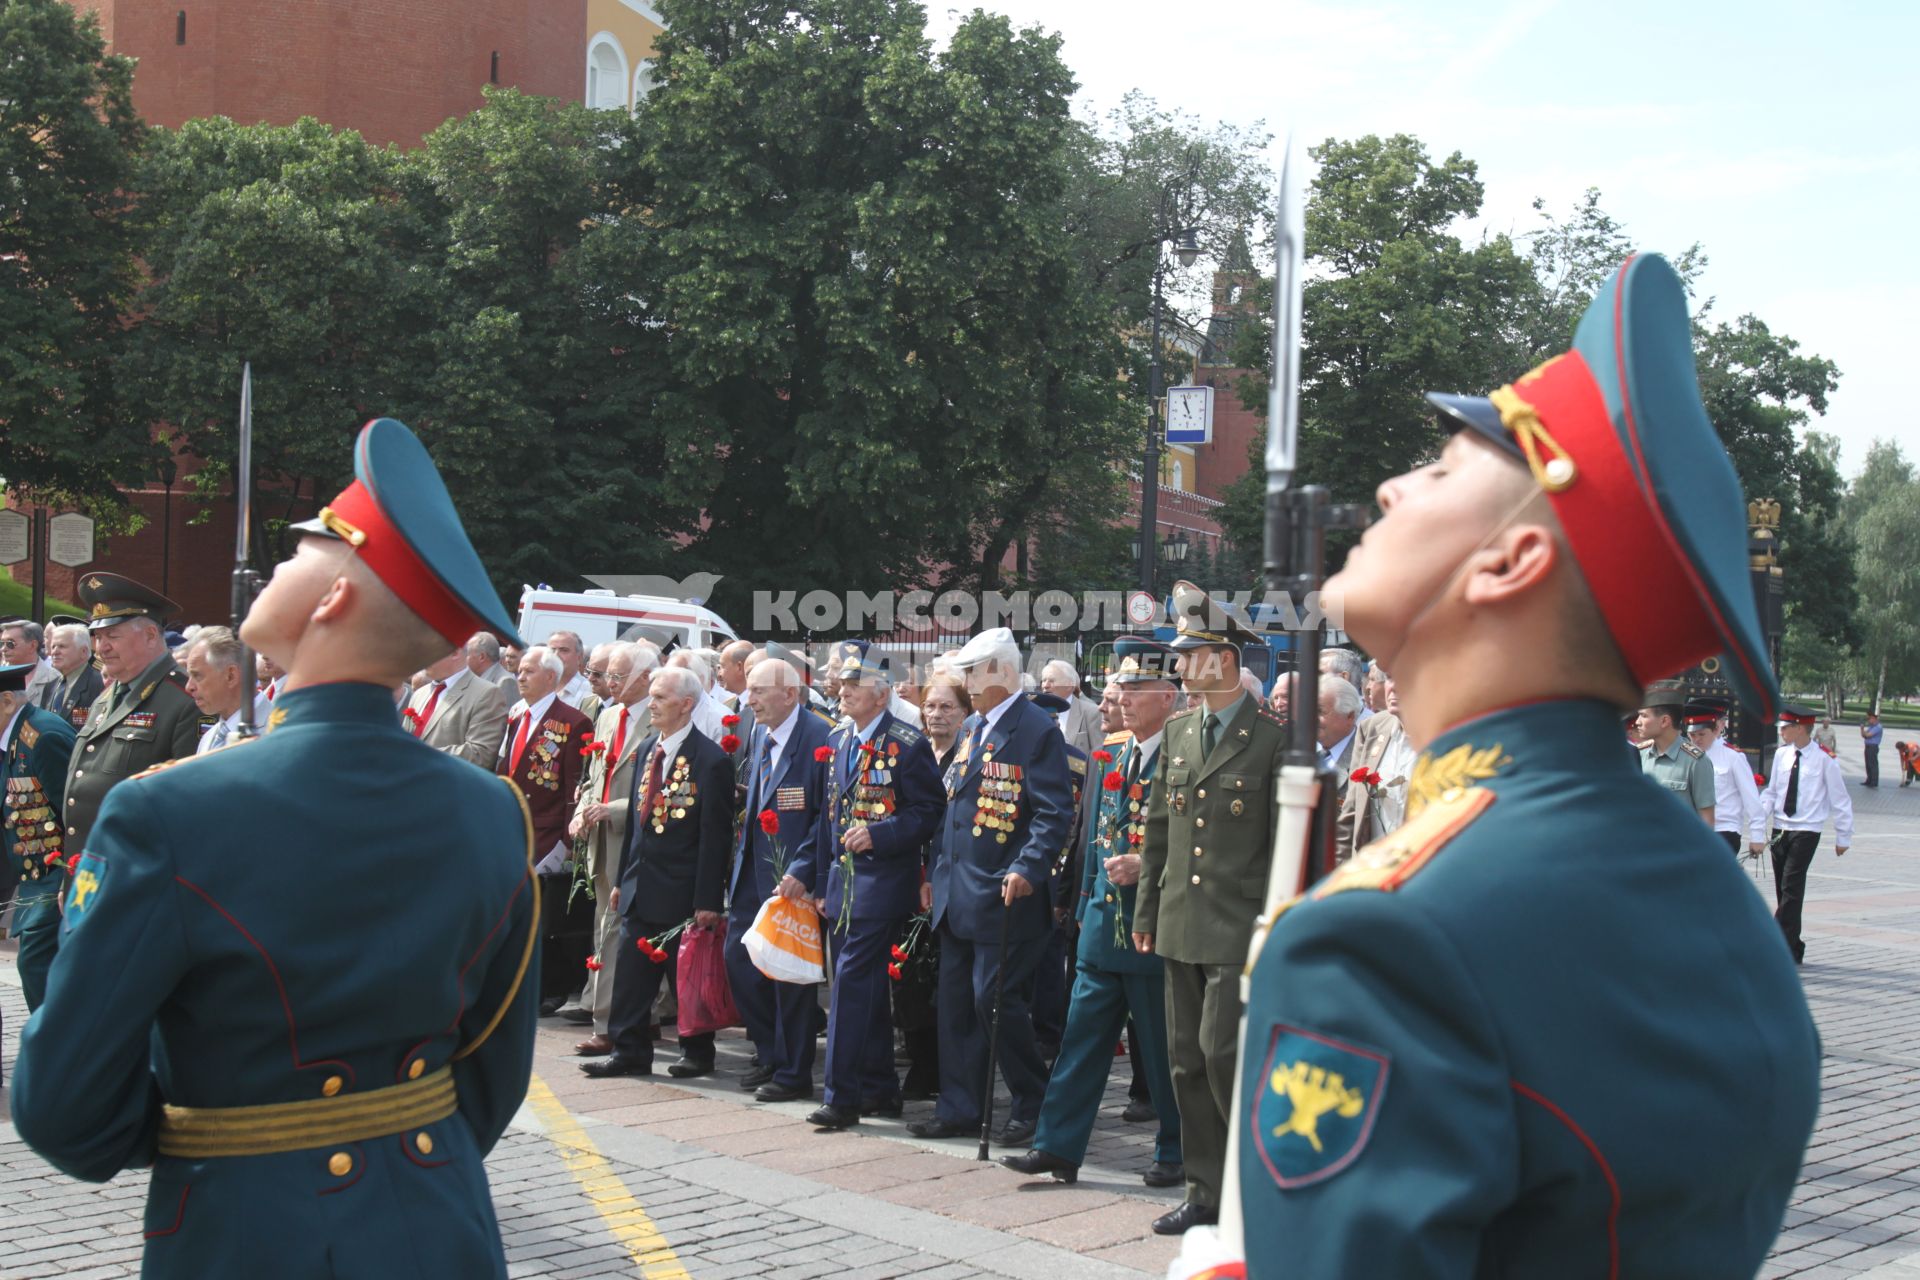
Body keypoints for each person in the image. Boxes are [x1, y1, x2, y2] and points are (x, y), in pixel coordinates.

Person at [1175, 254, 1819, 1279]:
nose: (1390, 484)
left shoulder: (1383, 936)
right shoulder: (1710, 894)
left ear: (1510, 563)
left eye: (1437, 472)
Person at [12, 417, 538, 1279]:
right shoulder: (490, 809)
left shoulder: (170, 811)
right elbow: (491, 1075)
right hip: (439, 1223)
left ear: (332, 601)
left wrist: (215, 1136)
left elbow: (65, 1106)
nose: (272, 568)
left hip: (245, 1230)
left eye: (299, 556)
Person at [1000, 637, 1184, 1190]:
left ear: (1169, 697)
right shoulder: (1115, 754)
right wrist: (1076, 905)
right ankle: (1057, 1145)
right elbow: (1092, 844)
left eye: (1134, 688)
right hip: (1102, 928)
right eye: (1117, 687)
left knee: (1161, 1051)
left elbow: (1202, 847)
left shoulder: (1183, 758)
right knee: (1080, 1043)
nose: (1120, 698)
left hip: (1154, 930)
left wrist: (1149, 869)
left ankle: (1175, 1149)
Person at [1133, 581, 1286, 1236]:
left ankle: (1255, 1190)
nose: (1180, 664)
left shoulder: (1273, 741)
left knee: (1225, 1056)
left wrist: (1279, 923)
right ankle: (1205, 1191)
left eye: (1189, 654)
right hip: (1179, 919)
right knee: (1184, 1064)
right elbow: (1158, 831)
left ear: (1222, 660)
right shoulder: (1179, 734)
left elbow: (1284, 844)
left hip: (1238, 925)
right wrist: (1145, 912)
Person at [909, 628, 1072, 1146]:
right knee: (955, 1005)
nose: (967, 683)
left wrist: (1029, 867)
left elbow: (1052, 813)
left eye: (974, 672)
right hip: (959, 889)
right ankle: (960, 1105)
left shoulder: (1035, 727)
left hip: (1006, 893)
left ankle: (1032, 1100)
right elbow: (951, 807)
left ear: (1002, 672)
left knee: (995, 1001)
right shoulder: (975, 726)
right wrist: (934, 872)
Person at [806, 646, 944, 1129]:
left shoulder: (907, 742)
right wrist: (821, 882)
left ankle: (841, 1096)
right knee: (860, 987)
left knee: (848, 987)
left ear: (881, 694)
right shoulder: (841, 738)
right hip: (844, 885)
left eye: (854, 684)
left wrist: (881, 835)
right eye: (842, 684)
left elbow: (929, 811)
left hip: (883, 882)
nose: (842, 691)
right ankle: (880, 1089)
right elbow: (828, 820)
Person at [581, 666, 733, 1080]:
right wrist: (622, 879)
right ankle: (629, 1049)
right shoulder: (650, 747)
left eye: (662, 697)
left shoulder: (711, 760)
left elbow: (714, 836)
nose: (652, 703)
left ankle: (697, 1051)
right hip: (639, 884)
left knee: (683, 978)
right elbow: (636, 819)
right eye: (652, 695)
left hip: (682, 889)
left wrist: (707, 900)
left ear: (686, 704)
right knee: (631, 975)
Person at [54, 573, 201, 992]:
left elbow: (185, 804)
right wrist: (71, 878)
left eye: (112, 635)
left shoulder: (182, 699)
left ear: (152, 634)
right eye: (97, 636)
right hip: (87, 877)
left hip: (137, 885)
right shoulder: (109, 696)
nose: (102, 647)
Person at [725, 651, 833, 1098]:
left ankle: (793, 1071)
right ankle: (769, 1051)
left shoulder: (819, 736)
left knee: (789, 975)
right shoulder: (756, 730)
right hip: (752, 867)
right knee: (740, 959)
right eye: (748, 689)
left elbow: (826, 815)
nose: (749, 699)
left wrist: (805, 869)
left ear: (790, 694)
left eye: (759, 690)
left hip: (793, 875)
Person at [497, 645, 596, 1014]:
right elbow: (507, 767)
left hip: (547, 831)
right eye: (519, 671)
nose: (519, 677)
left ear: (551, 677)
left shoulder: (572, 721)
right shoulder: (516, 714)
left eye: (528, 671)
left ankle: (549, 986)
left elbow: (573, 785)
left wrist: (566, 842)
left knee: (545, 916)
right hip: (512, 826)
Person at [567, 642, 656, 1053]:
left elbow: (659, 788)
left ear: (644, 677)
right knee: (607, 929)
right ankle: (618, 1018)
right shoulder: (607, 716)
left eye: (619, 677)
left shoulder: (659, 721)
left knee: (620, 931)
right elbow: (592, 775)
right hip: (600, 842)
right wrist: (583, 808)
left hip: (634, 840)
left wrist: (614, 809)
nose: (610, 684)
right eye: (608, 676)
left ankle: (612, 1023)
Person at [897, 670, 972, 1100]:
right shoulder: (911, 750)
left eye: (947, 707)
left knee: (943, 978)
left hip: (950, 879)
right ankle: (921, 1058)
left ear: (965, 712)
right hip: (914, 876)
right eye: (930, 706)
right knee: (909, 973)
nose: (936, 715)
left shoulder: (968, 754)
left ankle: (943, 1067)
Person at [2, 659, 78, 1010]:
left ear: (6, 702)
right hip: (21, 864)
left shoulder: (43, 736)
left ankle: (59, 1055)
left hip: (55, 869)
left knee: (35, 963)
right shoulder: (10, 734)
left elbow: (73, 812)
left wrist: (70, 879)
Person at [1757, 704, 1853, 964]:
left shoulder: (1824, 760)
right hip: (1781, 829)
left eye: (1786, 728)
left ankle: (1774, 941)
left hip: (1807, 830)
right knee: (1783, 889)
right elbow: (1773, 792)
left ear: (1800, 727)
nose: (1782, 732)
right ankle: (1793, 947)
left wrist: (1843, 837)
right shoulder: (1781, 755)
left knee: (1791, 885)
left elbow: (1840, 800)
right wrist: (1759, 816)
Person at [1334, 671, 1407, 863]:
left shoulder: (1448, 733)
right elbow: (1351, 811)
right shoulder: (1373, 728)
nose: (1393, 687)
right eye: (1390, 677)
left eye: (1406, 675)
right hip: (1371, 870)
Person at [406, 644, 511, 767]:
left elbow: (481, 754)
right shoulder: (420, 694)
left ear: (455, 653)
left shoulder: (487, 694)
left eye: (430, 651)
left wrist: (422, 755)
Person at [1686, 698, 1765, 856]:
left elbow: (1751, 798)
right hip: (1693, 829)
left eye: (1701, 734)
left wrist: (1757, 835)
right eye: (1692, 734)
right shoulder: (1686, 755)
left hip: (1724, 830)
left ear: (1716, 730)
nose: (1696, 739)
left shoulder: (1732, 757)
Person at [181, 627, 271, 754]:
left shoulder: (276, 732)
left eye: (197, 676)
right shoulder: (211, 737)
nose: (189, 687)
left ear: (231, 676)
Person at [1636, 681, 1715, 824]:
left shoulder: (1695, 761)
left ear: (1665, 721)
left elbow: (1706, 819)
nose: (1637, 722)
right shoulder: (1638, 755)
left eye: (1644, 716)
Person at [43, 622, 105, 729]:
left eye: (62, 646)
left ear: (84, 652)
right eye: (53, 647)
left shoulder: (99, 684)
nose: (55, 652)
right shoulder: (50, 686)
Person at [1040, 658, 1102, 762]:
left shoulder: (1091, 712)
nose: (1045, 686)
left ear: (1069, 685)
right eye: (1043, 680)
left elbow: (1100, 759)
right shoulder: (1036, 712)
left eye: (1052, 681)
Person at [0, 620, 60, 709]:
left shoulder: (54, 679)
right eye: (1, 643)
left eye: (10, 644)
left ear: (32, 645)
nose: (3, 649)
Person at [1861, 710, 1883, 787]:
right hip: (1868, 746)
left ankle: (1874, 781)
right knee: (1868, 764)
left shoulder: (1878, 727)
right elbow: (1863, 735)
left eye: (1870, 719)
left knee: (1873, 764)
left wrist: (1864, 732)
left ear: (1874, 718)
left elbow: (1868, 735)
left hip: (1873, 747)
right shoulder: (1871, 727)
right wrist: (1862, 729)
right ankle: (1869, 780)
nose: (1869, 720)